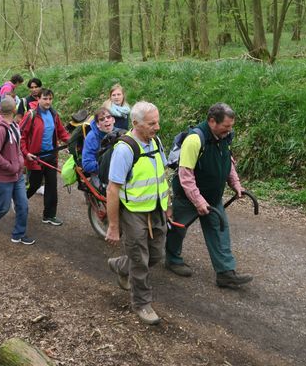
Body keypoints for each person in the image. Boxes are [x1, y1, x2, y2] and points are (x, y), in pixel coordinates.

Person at [165, 103, 253, 289]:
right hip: (187, 197)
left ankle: (225, 273)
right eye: (226, 126)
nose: (230, 130)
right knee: (178, 229)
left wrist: (235, 184)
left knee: (219, 229)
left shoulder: (224, 136)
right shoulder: (195, 140)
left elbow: (227, 161)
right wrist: (198, 201)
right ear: (212, 121)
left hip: (213, 197)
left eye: (231, 126)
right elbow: (185, 176)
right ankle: (172, 259)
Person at [105, 102, 170, 325]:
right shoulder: (125, 149)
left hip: (156, 209)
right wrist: (113, 226)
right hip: (134, 213)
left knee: (156, 255)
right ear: (135, 123)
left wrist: (167, 205)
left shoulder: (156, 142)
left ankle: (120, 265)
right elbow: (112, 189)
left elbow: (161, 175)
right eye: (151, 123)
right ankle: (142, 304)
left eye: (157, 121)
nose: (157, 127)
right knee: (140, 261)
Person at [0, 97, 35, 245]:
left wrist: (20, 162)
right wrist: (10, 166)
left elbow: (16, 147)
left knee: (23, 204)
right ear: (14, 109)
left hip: (17, 174)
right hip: (2, 176)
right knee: (3, 207)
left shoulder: (14, 125)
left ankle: (18, 234)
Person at [20, 88, 70, 226]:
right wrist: (25, 153)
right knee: (34, 185)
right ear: (38, 99)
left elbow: (61, 132)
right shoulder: (31, 115)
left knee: (52, 186)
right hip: (35, 158)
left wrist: (71, 142)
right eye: (45, 99)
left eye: (50, 99)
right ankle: (18, 200)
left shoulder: (54, 114)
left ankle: (49, 215)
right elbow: (21, 136)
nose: (48, 102)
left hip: (51, 156)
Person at [81, 107, 117, 184]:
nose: (106, 120)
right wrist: (107, 165)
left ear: (113, 120)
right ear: (98, 124)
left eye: (108, 117)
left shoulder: (120, 133)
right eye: (102, 119)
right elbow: (87, 164)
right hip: (99, 172)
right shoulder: (91, 138)